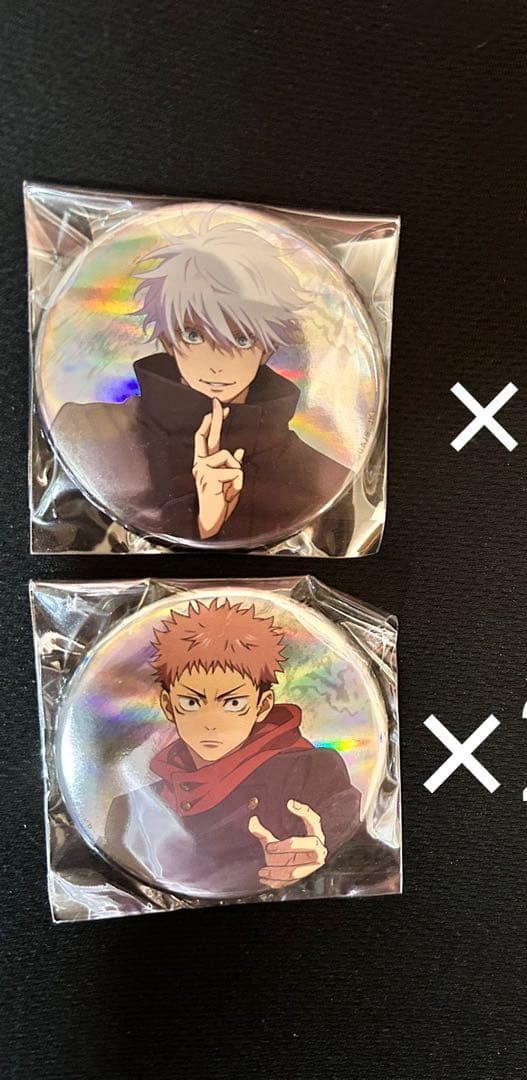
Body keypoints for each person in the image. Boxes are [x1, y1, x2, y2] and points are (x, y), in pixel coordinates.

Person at [51, 218, 350, 545]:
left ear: (267, 349)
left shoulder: (323, 481)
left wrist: (213, 525)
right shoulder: (86, 436)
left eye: (241, 339)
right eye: (193, 335)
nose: (216, 364)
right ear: (168, 340)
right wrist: (203, 523)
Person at [103, 599, 362, 898]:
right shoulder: (129, 810)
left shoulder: (310, 772)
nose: (211, 723)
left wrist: (319, 857)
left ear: (262, 705)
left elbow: (353, 849)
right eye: (191, 702)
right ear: (168, 705)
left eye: (233, 703)